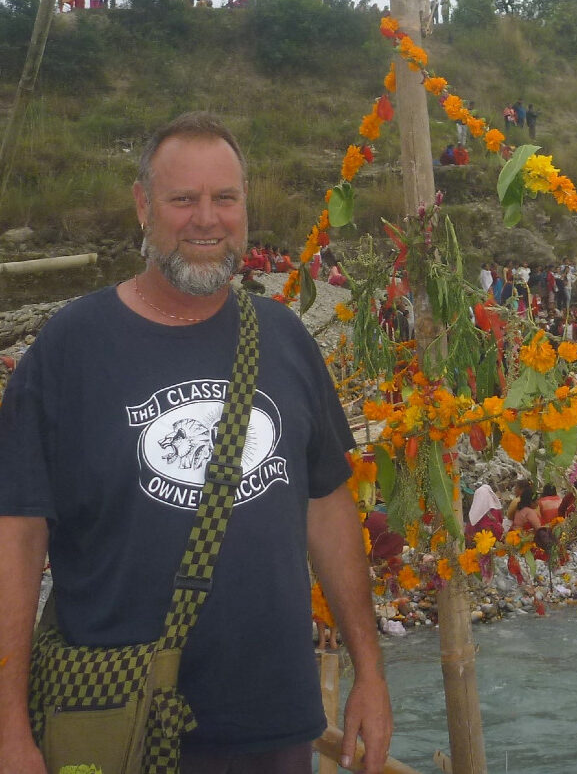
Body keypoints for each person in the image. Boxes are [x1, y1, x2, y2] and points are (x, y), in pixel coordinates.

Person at [0, 112, 392, 771]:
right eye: (183, 199)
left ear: (245, 208)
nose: (205, 218)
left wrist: (371, 673)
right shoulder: (71, 347)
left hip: (274, 725)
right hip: (114, 723)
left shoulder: (285, 339)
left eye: (224, 198)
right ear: (143, 206)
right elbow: (15, 539)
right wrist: (10, 728)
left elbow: (327, 507)